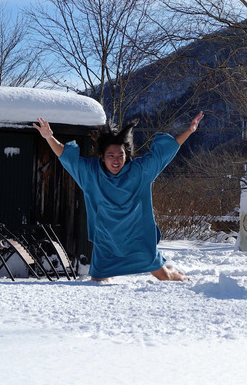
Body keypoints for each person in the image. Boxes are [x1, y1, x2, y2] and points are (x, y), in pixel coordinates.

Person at [32, 112, 204, 282]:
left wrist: (189, 130)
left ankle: (173, 272)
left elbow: (163, 154)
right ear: (102, 157)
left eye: (120, 155)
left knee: (165, 277)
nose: (116, 160)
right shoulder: (90, 173)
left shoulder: (140, 171)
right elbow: (66, 157)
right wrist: (49, 137)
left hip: (137, 237)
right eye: (111, 156)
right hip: (106, 240)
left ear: (126, 156)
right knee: (98, 280)